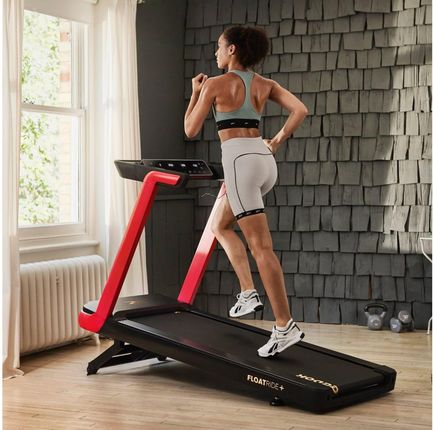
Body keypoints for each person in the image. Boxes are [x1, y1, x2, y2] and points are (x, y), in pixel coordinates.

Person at [184, 25, 308, 357]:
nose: (216, 52)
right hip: (264, 161)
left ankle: (284, 325)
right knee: (220, 225)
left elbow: (190, 129)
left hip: (239, 162)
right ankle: (248, 292)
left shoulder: (214, 84)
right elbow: (300, 110)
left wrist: (196, 93)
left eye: (219, 47)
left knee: (261, 248)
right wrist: (276, 141)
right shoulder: (266, 84)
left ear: (232, 49)